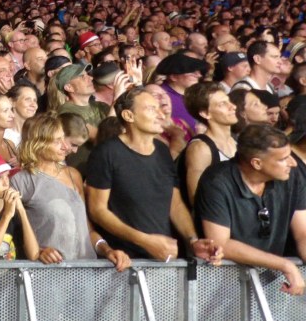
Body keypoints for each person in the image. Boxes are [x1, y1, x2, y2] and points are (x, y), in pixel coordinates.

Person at [85, 87, 223, 263]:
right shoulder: (106, 153)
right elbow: (97, 210)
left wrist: (193, 240)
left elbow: (175, 203)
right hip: (123, 262)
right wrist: (145, 241)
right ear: (129, 116)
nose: (161, 114)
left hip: (164, 259)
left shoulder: (162, 151)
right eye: (151, 109)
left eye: (159, 108)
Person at [196, 125, 306, 295]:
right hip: (219, 284)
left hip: (272, 282)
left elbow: (303, 233)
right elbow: (220, 242)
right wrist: (285, 265)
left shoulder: (292, 176)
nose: (292, 163)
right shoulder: (217, 181)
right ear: (257, 163)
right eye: (283, 159)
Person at [11, 113, 130, 270]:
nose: (65, 146)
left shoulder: (73, 175)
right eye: (56, 141)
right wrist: (39, 252)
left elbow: (86, 229)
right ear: (38, 143)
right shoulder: (21, 180)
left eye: (63, 138)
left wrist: (107, 250)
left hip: (86, 270)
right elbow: (15, 234)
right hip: (47, 272)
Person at [177, 81, 238, 208]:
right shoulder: (200, 148)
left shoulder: (236, 142)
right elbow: (196, 199)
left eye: (229, 101)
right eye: (222, 104)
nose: (232, 106)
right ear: (205, 113)